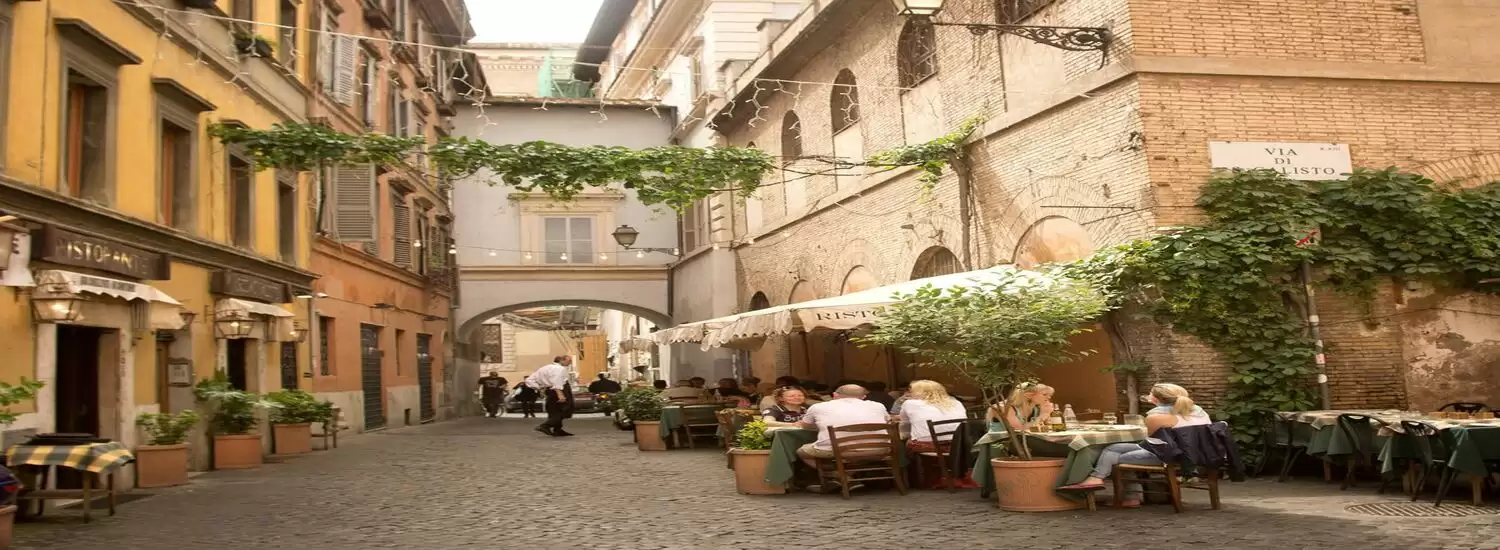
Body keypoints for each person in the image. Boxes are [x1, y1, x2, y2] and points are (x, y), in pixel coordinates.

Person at [1059, 383, 1211, 507]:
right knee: (1112, 448)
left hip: (1171, 457)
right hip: (1198, 454)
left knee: (1112, 457)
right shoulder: (1199, 412)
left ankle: (1123, 493)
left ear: (1155, 399)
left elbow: (1154, 444)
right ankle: (1099, 479)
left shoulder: (1156, 417)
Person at [899, 380, 976, 489]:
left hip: (929, 445)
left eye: (911, 391)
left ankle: (914, 481)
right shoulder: (956, 402)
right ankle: (946, 474)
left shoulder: (910, 403)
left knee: (905, 444)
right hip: (958, 445)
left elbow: (904, 423)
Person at [795, 385, 892, 467]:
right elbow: (888, 421)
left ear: (835, 395)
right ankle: (850, 474)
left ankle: (837, 475)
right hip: (879, 449)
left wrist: (821, 425)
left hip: (837, 450)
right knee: (855, 457)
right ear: (863, 396)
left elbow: (806, 426)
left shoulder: (818, 407)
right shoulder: (878, 406)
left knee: (802, 451)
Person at [528, 356, 575, 437]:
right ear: (561, 360)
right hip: (560, 390)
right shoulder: (560, 369)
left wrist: (540, 388)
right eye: (569, 361)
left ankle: (557, 429)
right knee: (565, 410)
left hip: (550, 390)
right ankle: (545, 426)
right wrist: (560, 394)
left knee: (554, 411)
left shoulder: (543, 368)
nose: (570, 363)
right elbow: (556, 382)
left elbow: (529, 380)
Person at [988, 382, 1055, 432]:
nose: (1049, 397)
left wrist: (1047, 415)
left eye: (1050, 395)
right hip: (1000, 442)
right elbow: (1017, 429)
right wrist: (1043, 415)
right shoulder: (1003, 407)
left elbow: (1048, 427)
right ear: (1028, 395)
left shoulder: (1037, 409)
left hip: (1026, 441)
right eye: (1044, 394)